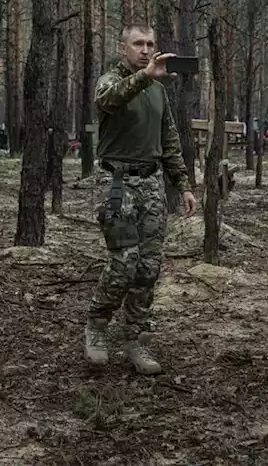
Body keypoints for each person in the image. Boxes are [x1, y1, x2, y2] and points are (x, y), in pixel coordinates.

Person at [85, 25, 196, 375]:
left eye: (150, 44)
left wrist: (183, 184)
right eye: (138, 44)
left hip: (150, 184)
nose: (145, 50)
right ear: (123, 49)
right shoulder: (111, 80)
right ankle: (97, 327)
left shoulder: (159, 91)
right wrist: (145, 77)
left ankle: (135, 339)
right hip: (115, 182)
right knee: (124, 261)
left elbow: (169, 140)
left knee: (148, 267)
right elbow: (108, 100)